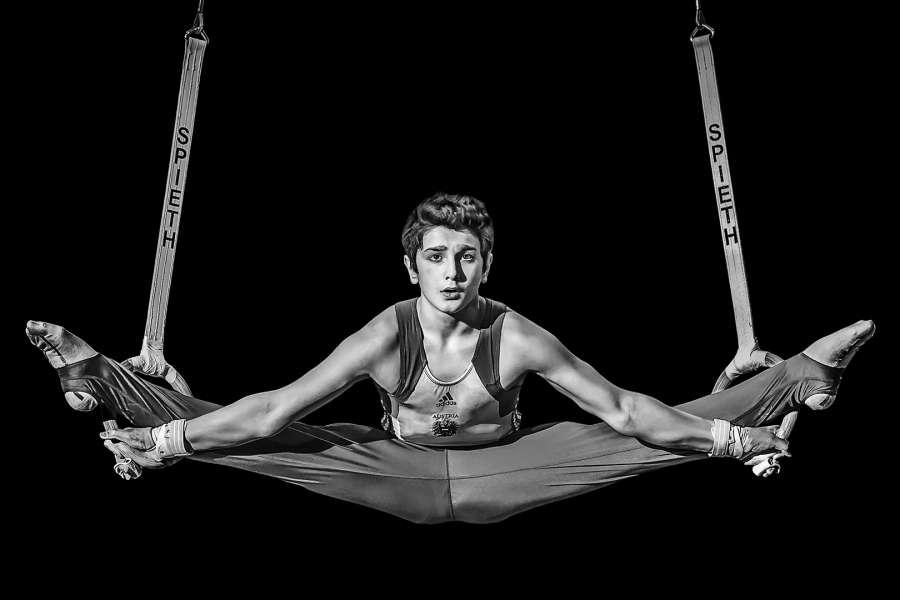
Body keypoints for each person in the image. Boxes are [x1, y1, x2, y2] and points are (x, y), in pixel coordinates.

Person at [26, 193, 874, 524]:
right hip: (392, 467)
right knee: (264, 440)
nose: (452, 272)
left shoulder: (519, 334)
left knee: (634, 437)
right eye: (436, 256)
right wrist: (176, 438)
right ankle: (103, 381)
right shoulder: (384, 333)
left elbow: (623, 410)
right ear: (411, 267)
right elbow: (278, 408)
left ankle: (797, 379)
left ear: (487, 264)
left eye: (467, 256)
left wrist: (726, 439)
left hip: (507, 469)